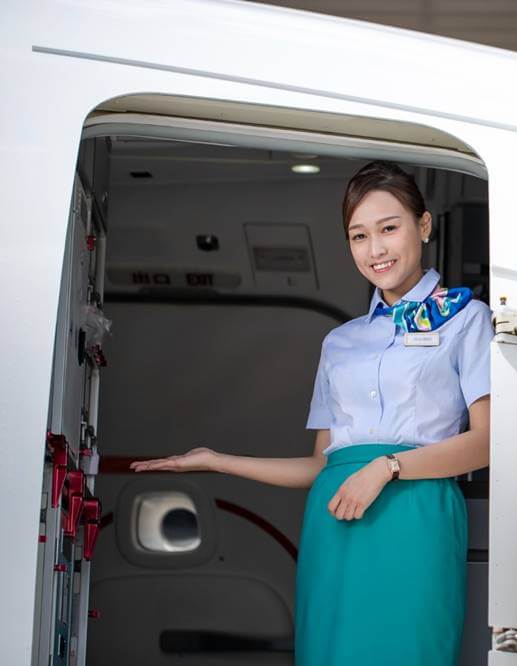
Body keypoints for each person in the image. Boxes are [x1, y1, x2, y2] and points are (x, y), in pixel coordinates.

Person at [130, 160, 493, 665]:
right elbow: (323, 465)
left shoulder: (467, 319)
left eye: (389, 228)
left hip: (416, 515)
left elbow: (487, 441)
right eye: (359, 236)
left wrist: (387, 468)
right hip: (336, 519)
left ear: (424, 225)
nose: (376, 250)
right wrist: (218, 461)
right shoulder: (339, 342)